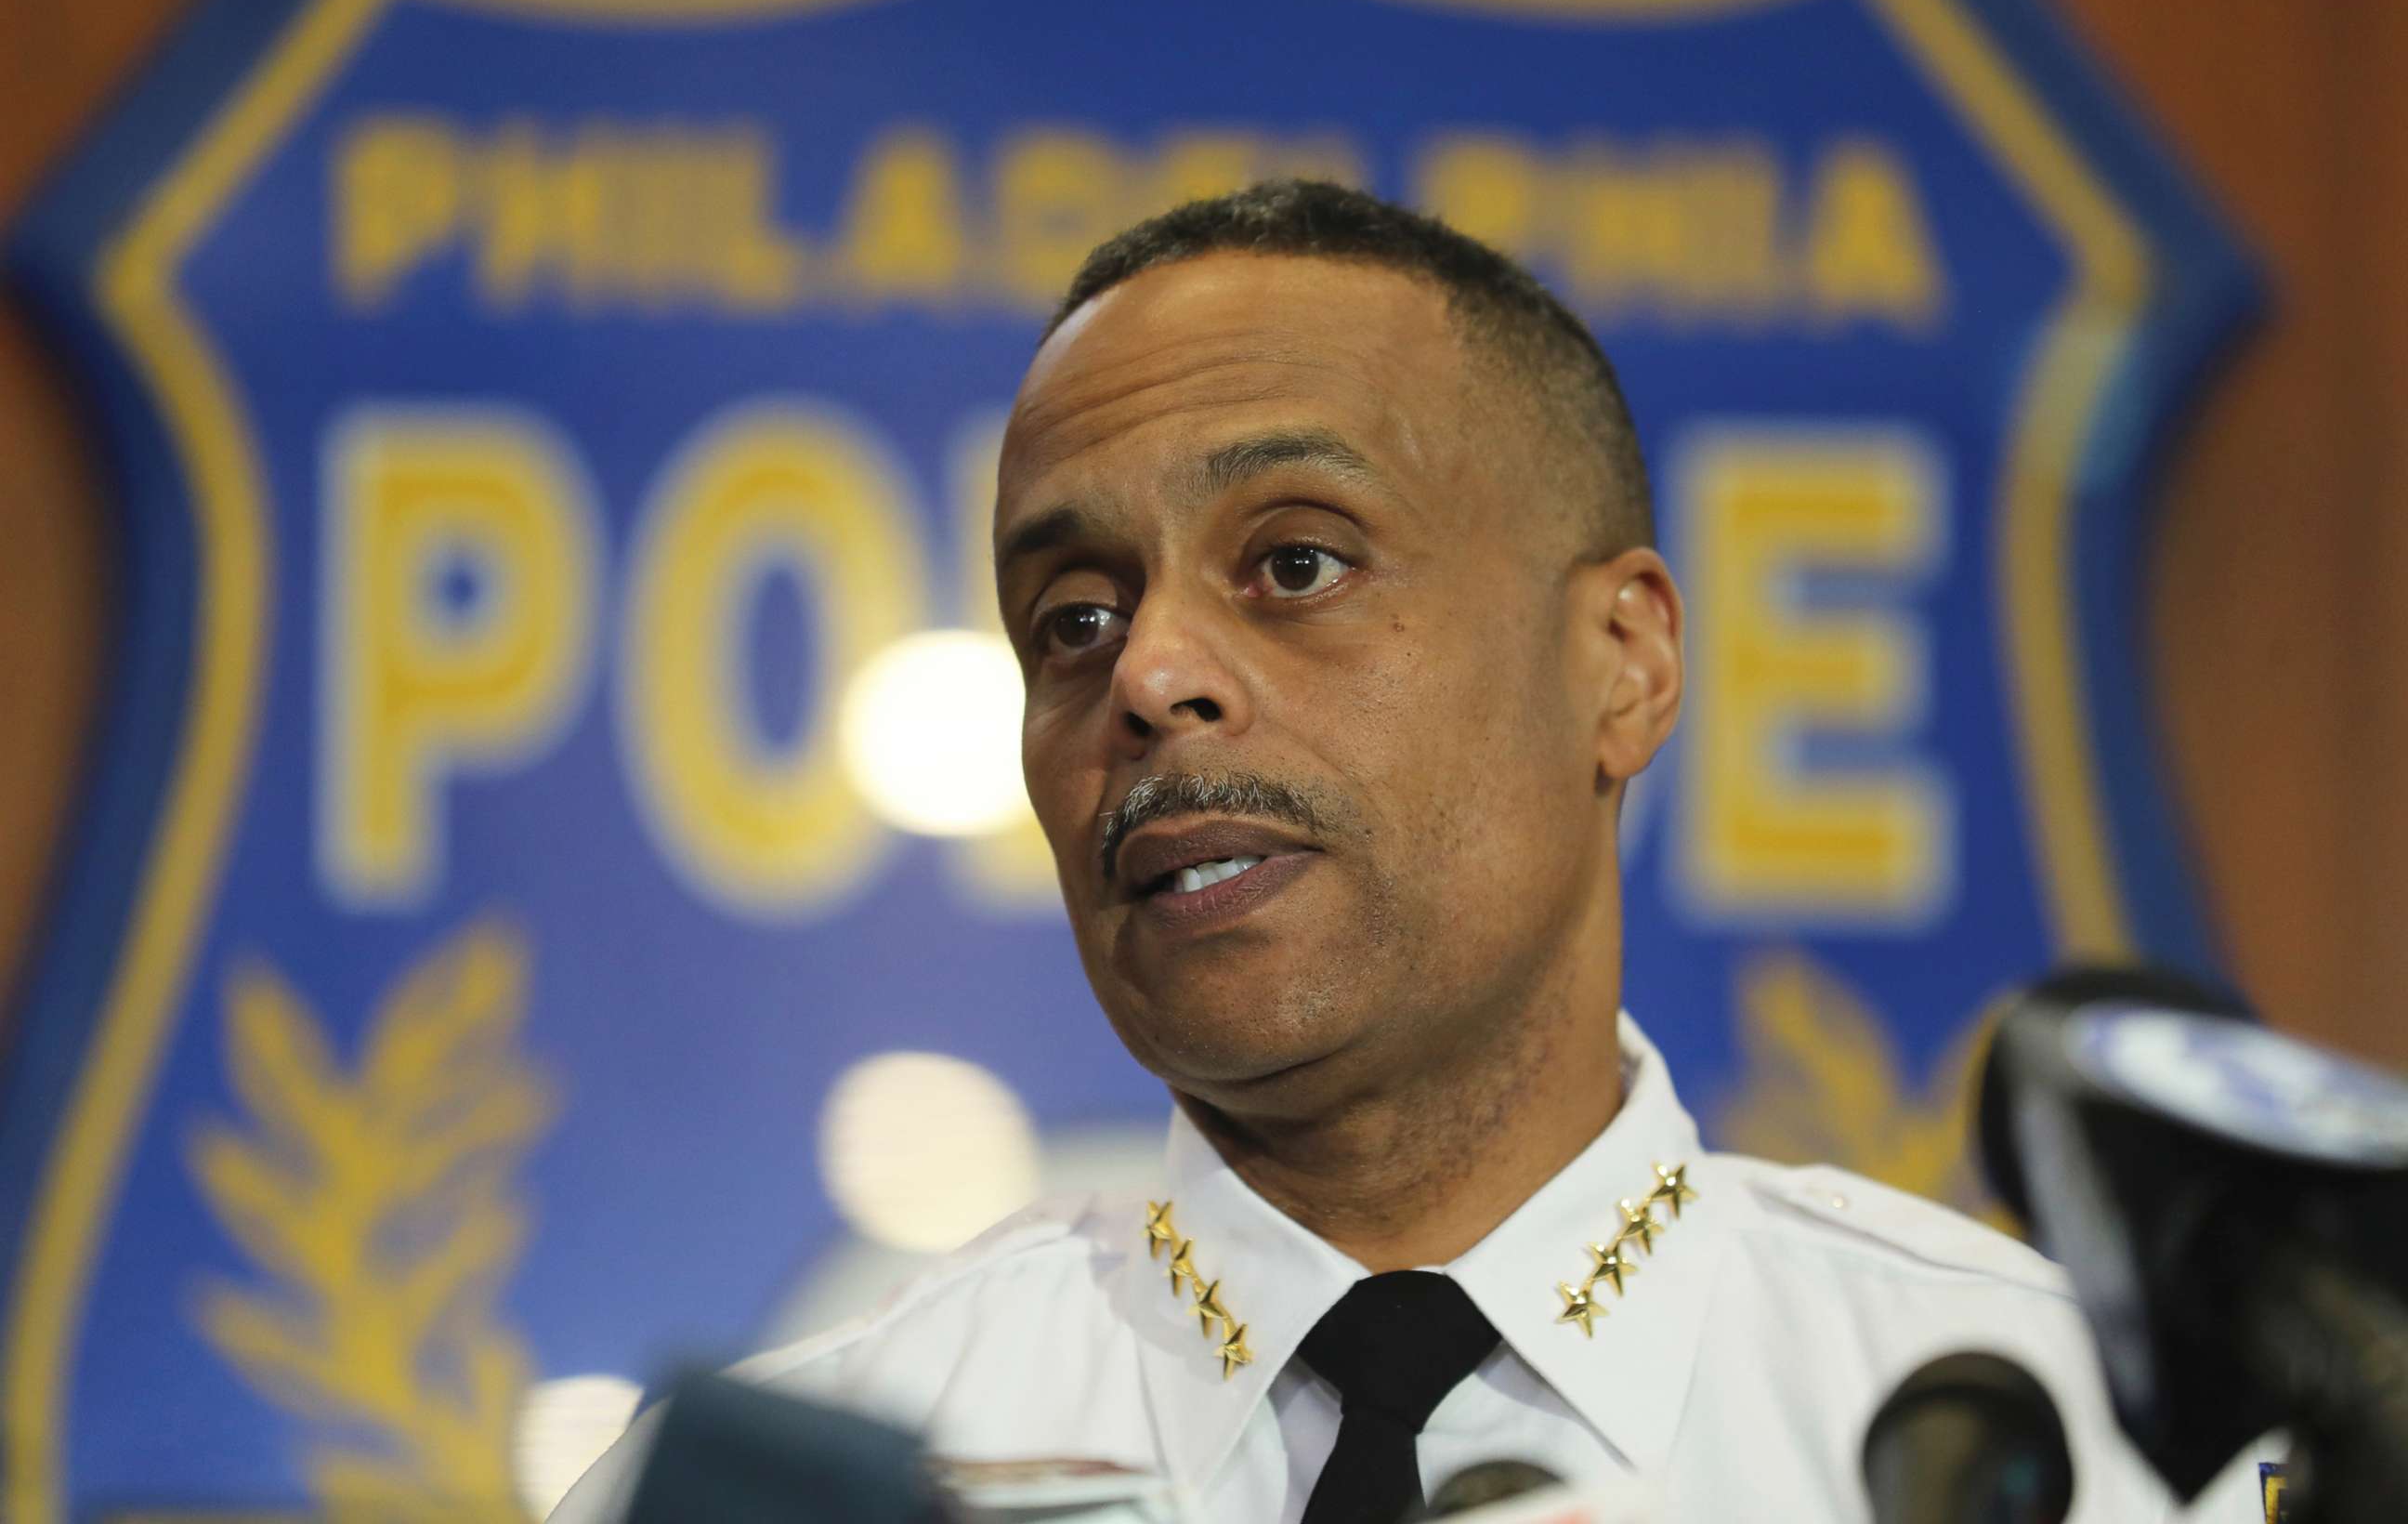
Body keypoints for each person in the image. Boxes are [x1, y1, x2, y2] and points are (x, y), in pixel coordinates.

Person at [551, 181, 2263, 1522]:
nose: (1147, 674)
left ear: (1625, 661)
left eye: (1294, 564)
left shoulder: (2074, 1454)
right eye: (1071, 615)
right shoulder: (798, 1486)